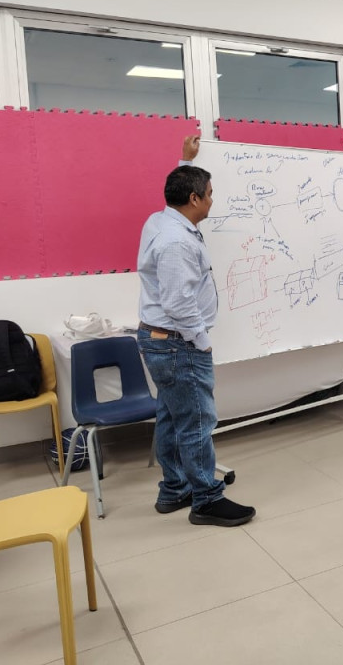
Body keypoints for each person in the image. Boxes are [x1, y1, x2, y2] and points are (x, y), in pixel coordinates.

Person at [136, 135, 256, 527]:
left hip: (163, 342)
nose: (211, 200)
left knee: (172, 417)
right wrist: (201, 343)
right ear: (193, 199)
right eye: (209, 194)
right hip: (179, 344)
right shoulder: (176, 241)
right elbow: (178, 303)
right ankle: (206, 499)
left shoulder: (161, 220)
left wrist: (184, 161)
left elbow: (176, 191)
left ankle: (174, 489)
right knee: (197, 422)